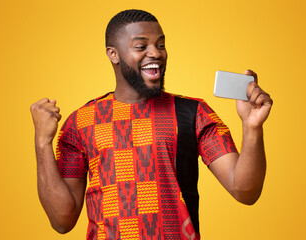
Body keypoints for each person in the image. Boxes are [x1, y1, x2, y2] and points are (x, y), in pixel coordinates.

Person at [30, 9, 273, 240]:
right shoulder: (81, 122)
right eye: (141, 46)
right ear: (113, 54)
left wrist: (252, 127)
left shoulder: (193, 113)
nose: (156, 53)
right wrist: (42, 143)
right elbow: (63, 220)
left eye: (160, 45)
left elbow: (245, 191)